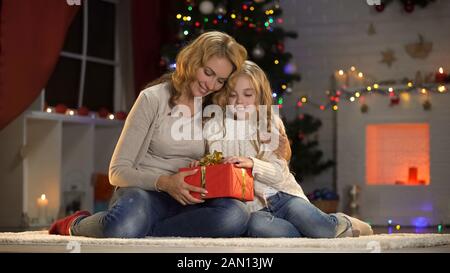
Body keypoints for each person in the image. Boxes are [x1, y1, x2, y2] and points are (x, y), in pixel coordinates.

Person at [49, 31, 250, 238]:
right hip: (145, 194)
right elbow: (117, 172)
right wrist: (167, 183)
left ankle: (144, 230)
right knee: (124, 226)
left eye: (220, 81)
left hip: (190, 199)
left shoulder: (214, 107)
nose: (210, 85)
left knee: (236, 215)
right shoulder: (153, 98)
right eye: (208, 72)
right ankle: (76, 223)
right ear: (193, 61)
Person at [194, 60, 373, 238]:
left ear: (259, 96)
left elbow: (279, 173)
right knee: (259, 229)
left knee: (321, 229)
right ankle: (308, 234)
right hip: (254, 210)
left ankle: (344, 222)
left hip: (283, 196)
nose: (240, 101)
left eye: (248, 95)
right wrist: (202, 167)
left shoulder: (270, 122)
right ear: (225, 95)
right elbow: (215, 167)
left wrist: (252, 164)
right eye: (233, 95)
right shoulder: (214, 127)